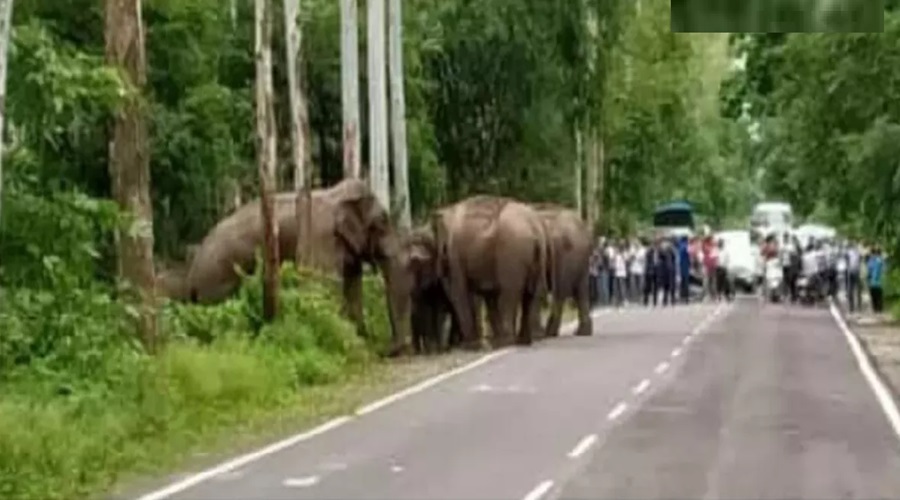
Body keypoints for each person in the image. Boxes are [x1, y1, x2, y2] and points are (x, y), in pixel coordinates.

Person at [867, 246, 885, 314]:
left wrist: (868, 280)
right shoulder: (881, 260)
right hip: (879, 282)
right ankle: (879, 309)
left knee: (874, 297)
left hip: (873, 282)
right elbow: (884, 270)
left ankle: (875, 309)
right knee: (879, 297)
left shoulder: (871, 261)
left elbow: (869, 271)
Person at [846, 240, 863, 313]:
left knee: (853, 289)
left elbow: (848, 262)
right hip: (854, 271)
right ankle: (855, 306)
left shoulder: (850, 253)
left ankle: (854, 307)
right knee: (855, 289)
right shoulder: (856, 253)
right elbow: (859, 261)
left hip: (852, 272)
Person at [644, 238, 660, 306]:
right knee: (648, 286)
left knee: (656, 286)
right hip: (650, 270)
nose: (655, 246)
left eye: (656, 244)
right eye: (654, 244)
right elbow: (647, 261)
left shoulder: (659, 251)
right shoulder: (649, 251)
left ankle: (655, 301)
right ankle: (646, 301)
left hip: (657, 271)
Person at [630, 239, 646, 303]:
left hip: (640, 270)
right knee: (633, 285)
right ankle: (635, 298)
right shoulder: (632, 249)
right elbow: (630, 257)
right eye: (635, 243)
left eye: (637, 243)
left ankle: (640, 297)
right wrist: (633, 255)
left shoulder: (643, 250)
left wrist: (636, 256)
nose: (636, 244)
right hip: (633, 269)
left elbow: (642, 259)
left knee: (640, 285)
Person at [702, 235, 719, 301]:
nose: (713, 240)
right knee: (706, 281)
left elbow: (716, 255)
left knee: (713, 281)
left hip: (713, 265)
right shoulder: (706, 246)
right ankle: (707, 295)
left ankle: (713, 296)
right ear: (709, 240)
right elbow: (706, 251)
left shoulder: (713, 246)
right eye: (712, 239)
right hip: (707, 265)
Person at [613, 241, 628, 307]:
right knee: (617, 287)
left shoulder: (624, 253)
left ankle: (624, 300)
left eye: (620, 247)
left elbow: (626, 260)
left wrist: (622, 254)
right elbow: (613, 261)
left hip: (622, 272)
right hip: (617, 272)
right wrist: (615, 254)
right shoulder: (616, 254)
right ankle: (617, 301)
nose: (619, 248)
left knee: (622, 287)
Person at [677, 235, 691, 304]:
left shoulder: (679, 246)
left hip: (680, 265)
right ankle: (686, 297)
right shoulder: (686, 246)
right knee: (686, 282)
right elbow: (689, 255)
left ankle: (681, 296)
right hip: (685, 266)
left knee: (682, 282)